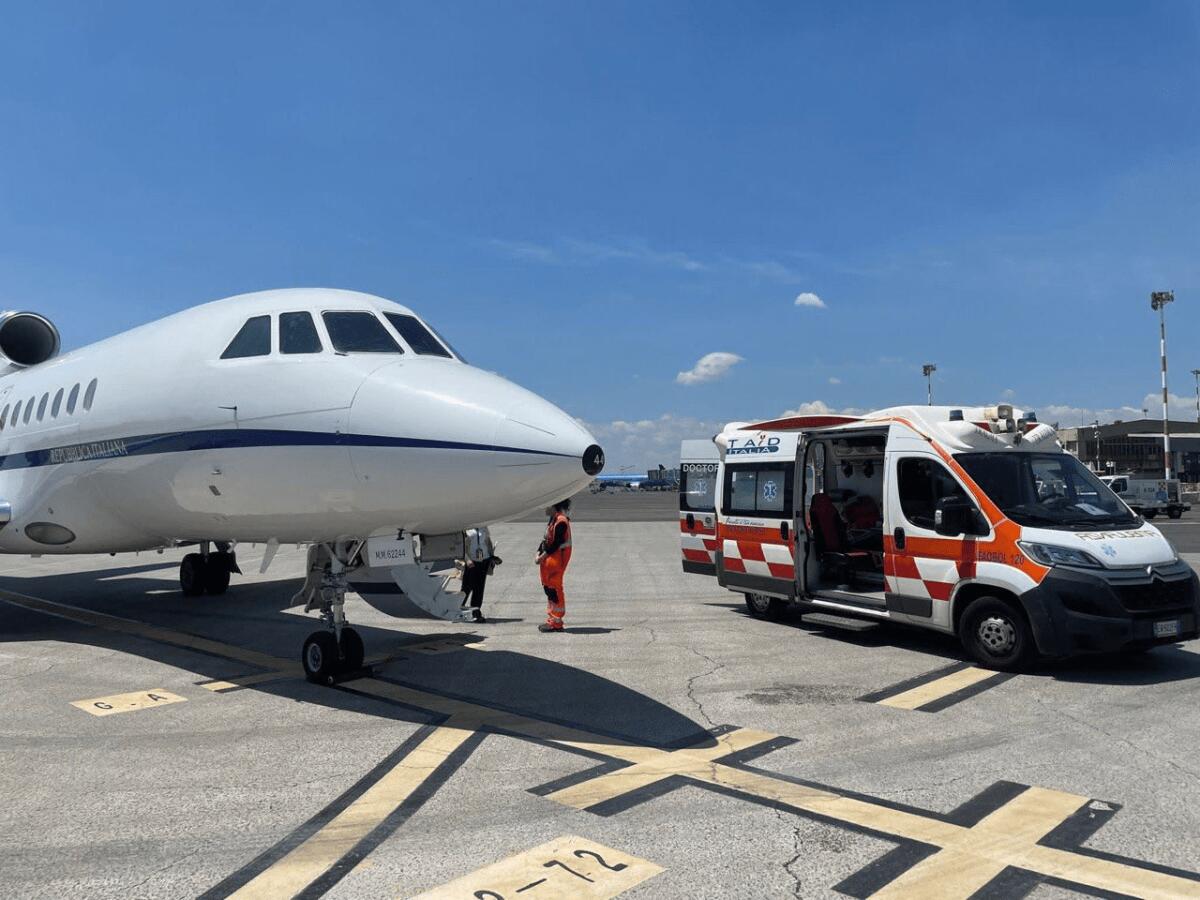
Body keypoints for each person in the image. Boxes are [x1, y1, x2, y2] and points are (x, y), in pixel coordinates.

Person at [536, 498, 572, 632]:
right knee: (548, 588)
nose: (544, 508)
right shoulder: (553, 519)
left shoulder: (561, 521)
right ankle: (552, 619)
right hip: (549, 559)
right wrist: (538, 553)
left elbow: (556, 543)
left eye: (547, 505)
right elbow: (546, 540)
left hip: (557, 559)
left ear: (553, 506)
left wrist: (542, 556)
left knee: (555, 589)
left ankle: (557, 621)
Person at [460, 528, 501, 623]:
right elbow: (462, 546)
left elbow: (488, 543)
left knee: (479, 588)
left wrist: (492, 557)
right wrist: (467, 559)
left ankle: (476, 612)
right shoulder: (466, 528)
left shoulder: (484, 527)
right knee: (466, 587)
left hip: (484, 560)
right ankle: (458, 610)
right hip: (471, 561)